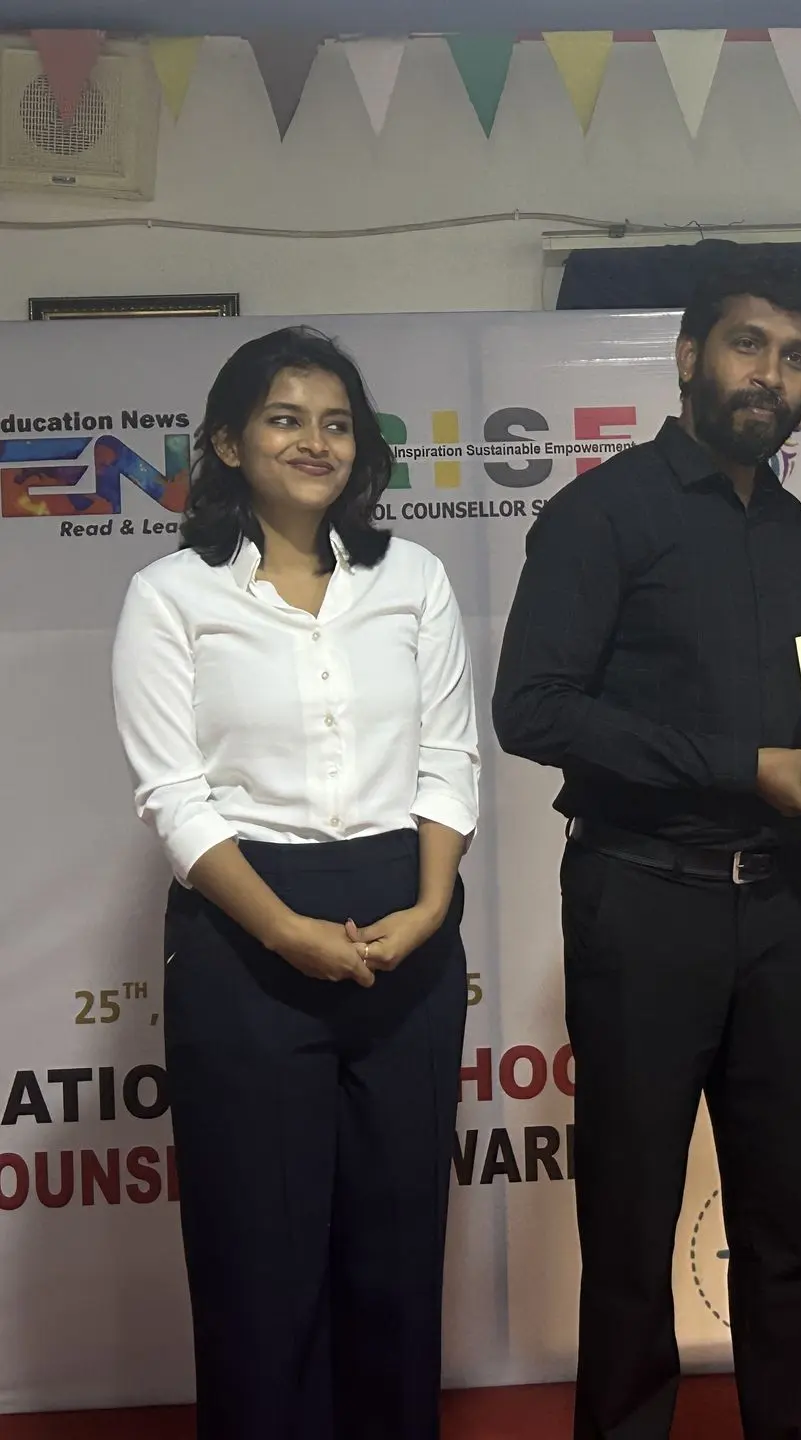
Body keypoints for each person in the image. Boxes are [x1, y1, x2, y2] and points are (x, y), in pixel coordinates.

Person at [491, 244, 801, 1440]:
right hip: (640, 898)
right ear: (691, 354)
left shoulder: (795, 532)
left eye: (796, 358)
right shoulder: (602, 513)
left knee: (795, 1220)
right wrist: (735, 766)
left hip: (777, 902)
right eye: (750, 345)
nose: (771, 375)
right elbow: (532, 709)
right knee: (633, 1223)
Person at [110, 327, 479, 1440]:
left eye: (336, 422)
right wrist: (284, 931)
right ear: (227, 442)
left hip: (408, 921)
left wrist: (429, 908)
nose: (315, 441)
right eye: (285, 418)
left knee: (397, 1250)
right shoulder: (171, 595)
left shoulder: (412, 579)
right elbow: (175, 797)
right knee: (257, 1259)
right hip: (245, 933)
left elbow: (449, 760)